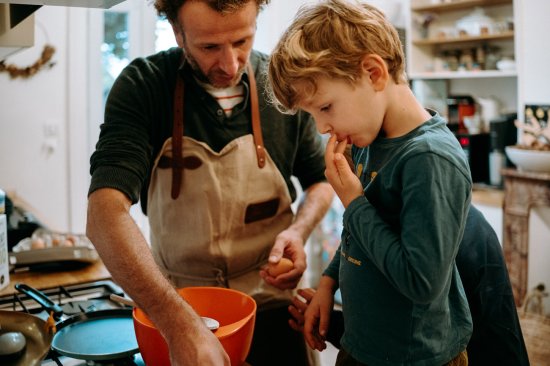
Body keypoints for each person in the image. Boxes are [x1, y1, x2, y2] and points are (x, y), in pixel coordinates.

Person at [86, 1, 334, 365]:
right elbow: (104, 215)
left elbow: (320, 183)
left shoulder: (281, 85)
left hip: (271, 305)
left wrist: (299, 231)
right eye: (209, 48)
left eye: (242, 41)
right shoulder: (145, 86)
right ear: (177, 32)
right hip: (181, 305)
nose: (230, 64)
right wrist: (177, 323)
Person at [267, 1, 473, 365]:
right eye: (312, 114)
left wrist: (354, 202)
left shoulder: (429, 159)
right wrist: (330, 281)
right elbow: (360, 234)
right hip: (365, 346)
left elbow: (421, 283)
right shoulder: (370, 139)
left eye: (326, 107)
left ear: (373, 73)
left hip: (415, 357)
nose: (320, 128)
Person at [289, 205, 530, 366]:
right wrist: (328, 314)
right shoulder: (382, 217)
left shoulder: (442, 239)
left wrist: (332, 324)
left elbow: (407, 342)